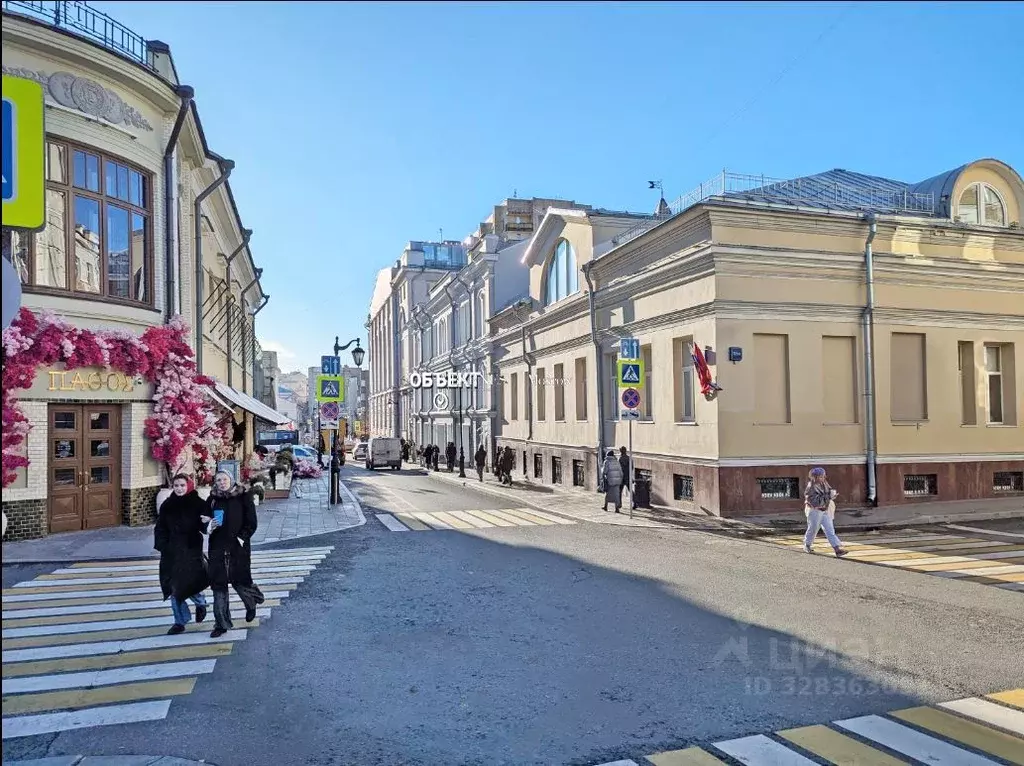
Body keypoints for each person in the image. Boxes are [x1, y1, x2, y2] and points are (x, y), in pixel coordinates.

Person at [206, 471, 265, 638]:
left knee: (241, 582)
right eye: (218, 480)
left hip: (238, 547)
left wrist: (241, 538)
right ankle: (221, 624)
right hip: (217, 547)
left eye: (225, 479)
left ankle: (251, 603)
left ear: (231, 480)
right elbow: (202, 520)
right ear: (215, 483)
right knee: (219, 586)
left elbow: (251, 522)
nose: (222, 482)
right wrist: (209, 525)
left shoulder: (243, 497)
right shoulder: (212, 499)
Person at [155, 474, 209, 635]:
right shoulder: (167, 505)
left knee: (190, 583)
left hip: (191, 550)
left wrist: (208, 525)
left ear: (188, 486)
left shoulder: (197, 503)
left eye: (182, 485)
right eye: (176, 485)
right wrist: (162, 545)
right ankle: (179, 622)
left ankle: (201, 603)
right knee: (174, 588)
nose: (179, 489)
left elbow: (204, 525)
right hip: (171, 552)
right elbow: (160, 528)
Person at [803, 467, 848, 557]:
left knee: (830, 529)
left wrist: (832, 494)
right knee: (813, 529)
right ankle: (807, 545)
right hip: (815, 511)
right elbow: (814, 501)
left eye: (823, 476)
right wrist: (829, 497)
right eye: (820, 477)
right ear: (813, 477)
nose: (822, 478)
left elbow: (828, 491)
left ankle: (837, 549)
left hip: (825, 510)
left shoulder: (824, 483)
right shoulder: (811, 487)